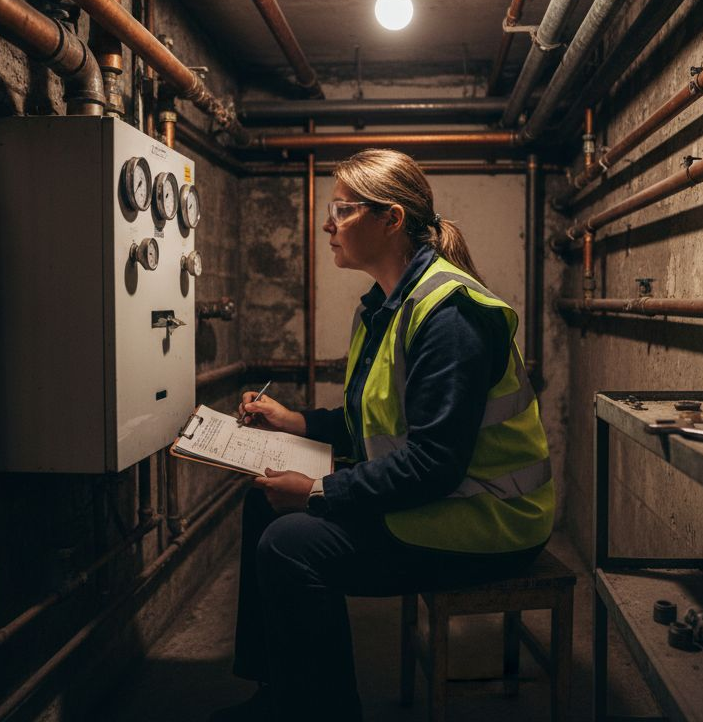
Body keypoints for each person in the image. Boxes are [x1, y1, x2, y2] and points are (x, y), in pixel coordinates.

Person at [211, 149, 553, 721]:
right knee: (262, 506)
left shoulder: (450, 316)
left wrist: (319, 492)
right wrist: (295, 422)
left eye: (342, 210)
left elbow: (434, 463)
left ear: (391, 219)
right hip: (442, 502)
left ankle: (322, 712)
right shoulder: (388, 306)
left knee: (289, 543)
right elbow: (377, 423)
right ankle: (282, 694)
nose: (327, 224)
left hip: (488, 521)